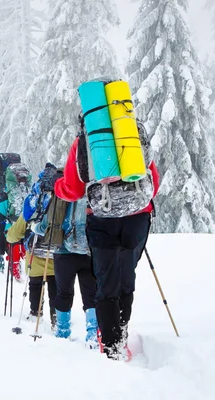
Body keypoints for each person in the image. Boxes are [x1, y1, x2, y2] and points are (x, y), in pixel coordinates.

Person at [54, 127, 160, 360]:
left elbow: (72, 190)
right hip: (138, 216)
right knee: (126, 276)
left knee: (106, 281)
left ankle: (112, 346)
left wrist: (57, 186)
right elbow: (154, 182)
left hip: (103, 217)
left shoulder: (85, 139)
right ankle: (121, 332)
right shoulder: (132, 131)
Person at [24, 166, 98, 347]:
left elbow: (47, 224)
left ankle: (63, 333)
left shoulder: (62, 193)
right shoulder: (93, 192)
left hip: (63, 253)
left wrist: (33, 228)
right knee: (91, 294)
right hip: (89, 251)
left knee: (64, 293)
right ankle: (93, 334)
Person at [5, 212, 56, 328]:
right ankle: (57, 319)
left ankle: (35, 315)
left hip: (35, 259)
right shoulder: (62, 202)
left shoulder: (34, 205)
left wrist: (9, 234)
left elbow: (13, 236)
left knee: (35, 287)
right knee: (57, 292)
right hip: (57, 259)